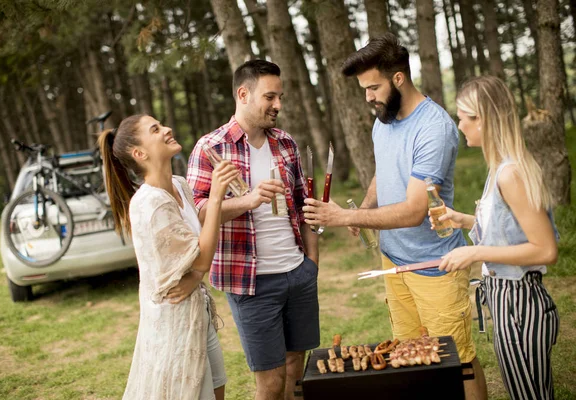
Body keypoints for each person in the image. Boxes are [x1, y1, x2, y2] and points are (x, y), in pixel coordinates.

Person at [302, 33, 487, 399]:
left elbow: (414, 210)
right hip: (395, 262)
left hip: (435, 266)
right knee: (411, 358)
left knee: (458, 363)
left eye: (373, 87)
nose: (368, 97)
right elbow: (383, 172)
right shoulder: (384, 119)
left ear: (398, 79)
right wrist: (365, 208)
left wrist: (339, 217)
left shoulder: (433, 128)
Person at [187, 59, 320, 400]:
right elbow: (196, 214)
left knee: (295, 370)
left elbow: (305, 206)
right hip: (251, 283)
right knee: (271, 382)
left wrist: (312, 264)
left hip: (297, 273)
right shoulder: (211, 148)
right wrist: (249, 200)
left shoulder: (286, 143)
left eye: (281, 97)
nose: (278, 105)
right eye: (270, 97)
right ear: (243, 94)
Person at [433, 75, 559, 400]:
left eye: (464, 117)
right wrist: (462, 219)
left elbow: (545, 249)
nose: (459, 125)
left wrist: (474, 254)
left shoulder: (510, 173)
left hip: (519, 302)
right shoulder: (499, 168)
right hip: (504, 299)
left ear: (484, 120)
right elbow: (511, 229)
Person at [98, 115, 240, 400]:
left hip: (197, 312)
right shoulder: (150, 203)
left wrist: (195, 278)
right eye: (155, 129)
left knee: (216, 389)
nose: (167, 129)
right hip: (173, 325)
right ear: (140, 153)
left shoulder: (179, 185)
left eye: (162, 124)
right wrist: (215, 197)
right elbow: (200, 260)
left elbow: (197, 258)